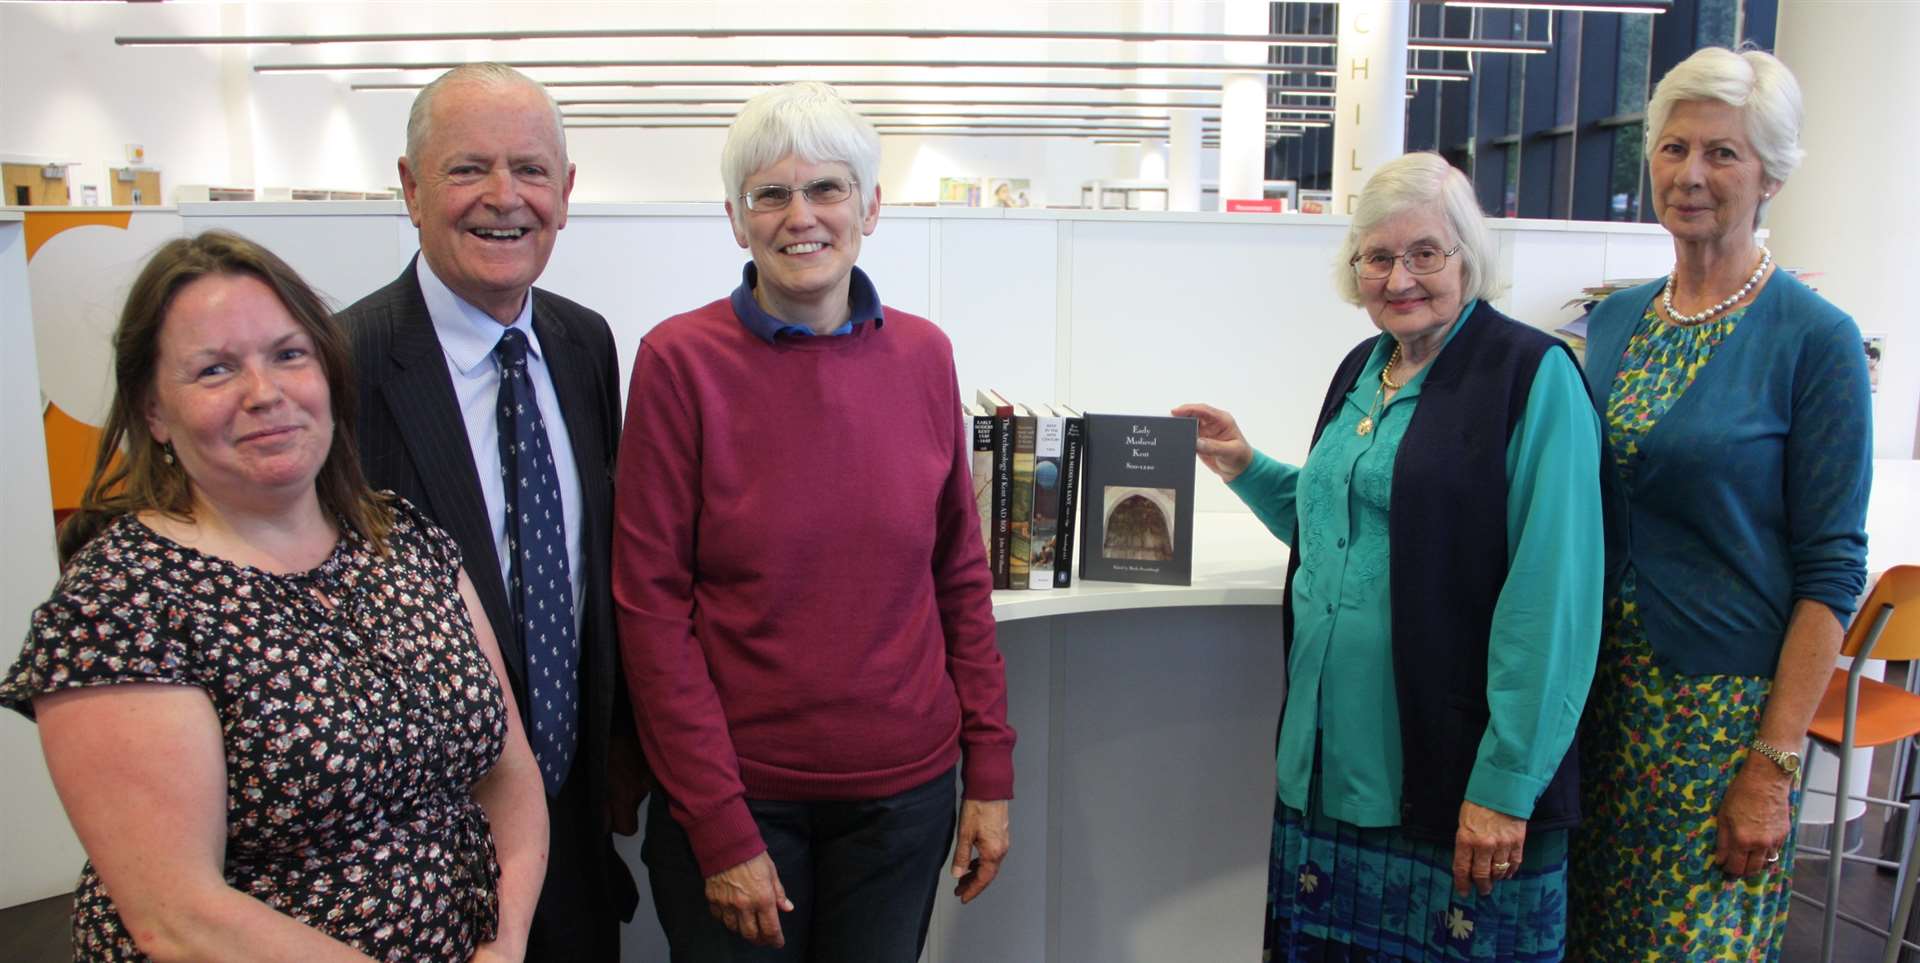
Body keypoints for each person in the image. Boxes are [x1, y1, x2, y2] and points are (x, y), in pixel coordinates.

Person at [1, 230, 547, 961]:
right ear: (154, 411)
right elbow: (179, 914)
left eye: (289, 355)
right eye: (215, 369)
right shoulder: (123, 602)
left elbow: (510, 774)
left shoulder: (402, 538)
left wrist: (506, 941)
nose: (265, 394)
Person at [613, 81, 1016, 961]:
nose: (802, 215)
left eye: (827, 188)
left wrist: (989, 768)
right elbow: (649, 613)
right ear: (736, 218)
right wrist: (720, 828)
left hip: (903, 799)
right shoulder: (678, 363)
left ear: (870, 206)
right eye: (772, 193)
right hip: (739, 799)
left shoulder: (923, 355)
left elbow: (958, 575)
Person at [1175, 151, 1603, 960]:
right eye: (1377, 256)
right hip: (1331, 775)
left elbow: (1555, 598)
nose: (1399, 276)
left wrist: (1508, 783)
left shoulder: (1532, 376)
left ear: (1467, 258)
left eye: (1424, 253)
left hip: (1453, 779)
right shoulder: (1365, 368)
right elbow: (1342, 522)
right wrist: (1241, 463)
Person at [1566, 47, 1871, 961]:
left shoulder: (1816, 340)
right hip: (1597, 708)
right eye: (1673, 148)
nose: (1690, 174)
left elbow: (1831, 574)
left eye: (1723, 154)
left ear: (1771, 175)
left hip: (1717, 725)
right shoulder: (1616, 321)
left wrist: (1772, 770)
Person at [336, 62, 644, 960]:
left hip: (578, 832)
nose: (504, 198)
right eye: (468, 168)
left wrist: (620, 740)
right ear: (410, 187)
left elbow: (594, 563)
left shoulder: (586, 344)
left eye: (532, 170)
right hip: (419, 858)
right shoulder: (341, 367)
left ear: (567, 192)